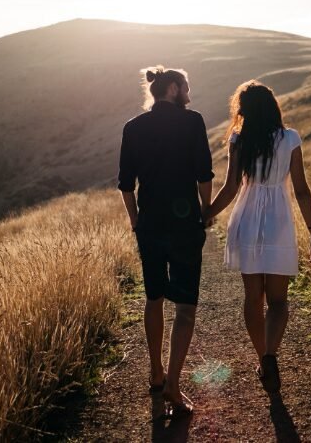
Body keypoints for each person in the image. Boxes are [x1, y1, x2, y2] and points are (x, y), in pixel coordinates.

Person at [204, 80, 311, 394]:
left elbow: (230, 188)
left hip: (247, 218)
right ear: (273, 107)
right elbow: (301, 190)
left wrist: (206, 214)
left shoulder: (239, 139)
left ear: (244, 110)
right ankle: (270, 356)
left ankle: (263, 358)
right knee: (279, 300)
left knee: (253, 297)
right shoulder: (291, 138)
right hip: (279, 221)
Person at [117, 65, 214, 416]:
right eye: (186, 86)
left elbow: (126, 184)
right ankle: (173, 383)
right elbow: (204, 172)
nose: (189, 93)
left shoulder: (133, 127)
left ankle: (155, 372)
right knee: (185, 307)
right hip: (185, 224)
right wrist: (206, 209)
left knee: (153, 297)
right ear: (173, 88)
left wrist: (135, 220)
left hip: (150, 226)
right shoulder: (193, 121)